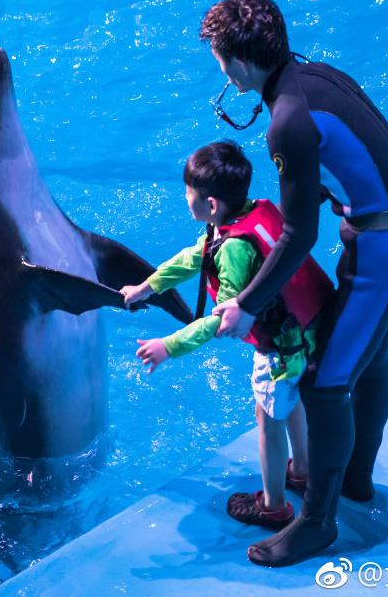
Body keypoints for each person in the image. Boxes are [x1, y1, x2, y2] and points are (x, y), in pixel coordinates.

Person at [198, 0, 388, 567]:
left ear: (241, 63)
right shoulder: (314, 76)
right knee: (369, 360)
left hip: (381, 255)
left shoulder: (287, 124)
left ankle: (317, 522)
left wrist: (248, 304)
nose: (220, 70)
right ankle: (353, 481)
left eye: (219, 59)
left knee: (326, 383)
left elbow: (298, 235)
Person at [120, 140, 333, 530]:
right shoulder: (248, 216)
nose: (185, 197)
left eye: (188, 192)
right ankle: (301, 469)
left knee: (268, 421)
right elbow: (194, 257)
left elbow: (224, 319)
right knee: (292, 404)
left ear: (211, 204)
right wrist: (147, 286)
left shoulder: (234, 249)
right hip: (303, 340)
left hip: (278, 354)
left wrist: (168, 346)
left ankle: (273, 506)